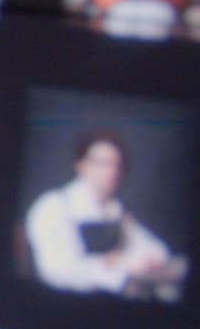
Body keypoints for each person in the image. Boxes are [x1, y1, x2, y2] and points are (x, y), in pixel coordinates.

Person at [21, 127, 186, 297]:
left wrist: (130, 260)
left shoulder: (115, 210)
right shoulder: (53, 207)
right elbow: (60, 271)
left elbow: (156, 250)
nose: (112, 171)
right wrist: (119, 267)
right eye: (103, 163)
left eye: (117, 165)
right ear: (82, 165)